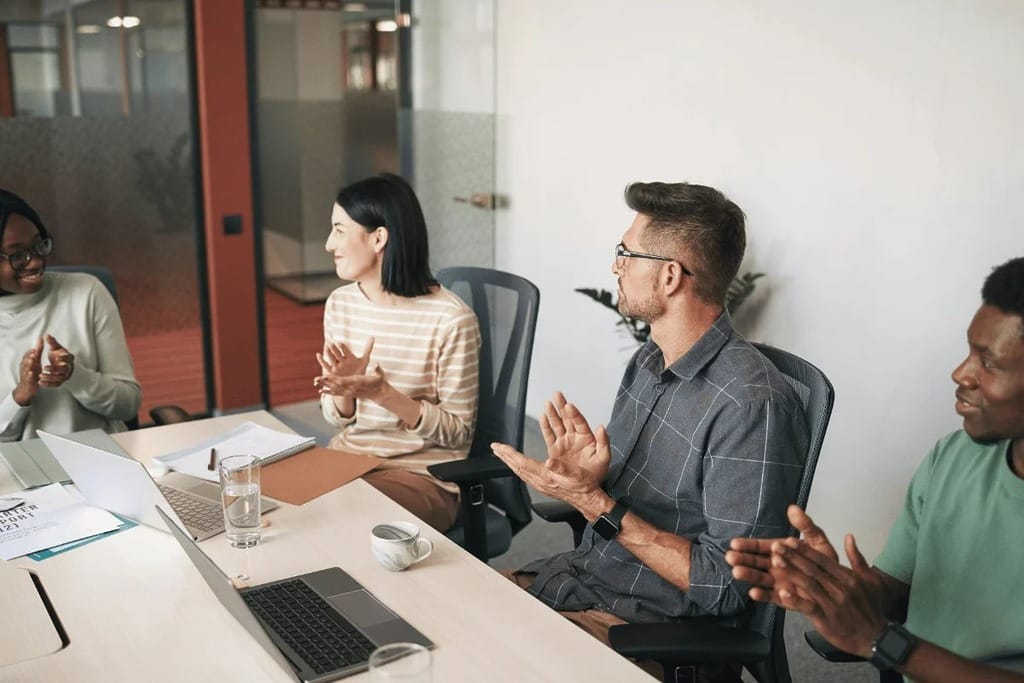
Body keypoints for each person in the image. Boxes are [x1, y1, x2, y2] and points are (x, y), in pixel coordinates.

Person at [491, 181, 808, 680]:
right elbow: (622, 508)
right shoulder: (648, 362)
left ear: (669, 277)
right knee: (434, 612)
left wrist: (596, 504)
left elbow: (730, 586)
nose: (616, 265)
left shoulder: (751, 405)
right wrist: (587, 481)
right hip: (582, 583)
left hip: (647, 628)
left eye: (625, 253)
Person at [727, 256, 1024, 682]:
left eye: (989, 363)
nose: (961, 374)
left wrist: (883, 642)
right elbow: (895, 591)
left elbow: (883, 637)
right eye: (969, 352)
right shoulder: (956, 456)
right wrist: (842, 591)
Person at [314, 173, 480, 533]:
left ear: (378, 238)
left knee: (337, 521)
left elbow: (457, 434)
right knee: (272, 504)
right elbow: (337, 419)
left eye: (339, 230)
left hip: (420, 476)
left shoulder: (450, 319)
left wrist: (382, 394)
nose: (329, 243)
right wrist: (344, 393)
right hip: (347, 462)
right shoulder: (341, 304)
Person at [0, 188, 141, 441]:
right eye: (17, 255)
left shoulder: (86, 292)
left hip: (101, 461)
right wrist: (19, 397)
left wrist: (75, 376)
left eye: (39, 244)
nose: (35, 262)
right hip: (18, 474)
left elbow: (128, 405)